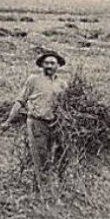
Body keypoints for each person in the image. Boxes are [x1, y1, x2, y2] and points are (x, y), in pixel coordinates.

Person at [6, 49, 70, 180]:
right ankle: (41, 190)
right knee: (40, 156)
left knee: (60, 153)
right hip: (37, 123)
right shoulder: (33, 80)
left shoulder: (62, 84)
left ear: (58, 66)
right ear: (41, 65)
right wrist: (9, 120)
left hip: (55, 124)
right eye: (46, 63)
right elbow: (20, 100)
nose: (49, 66)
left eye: (52, 63)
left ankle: (55, 182)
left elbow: (66, 106)